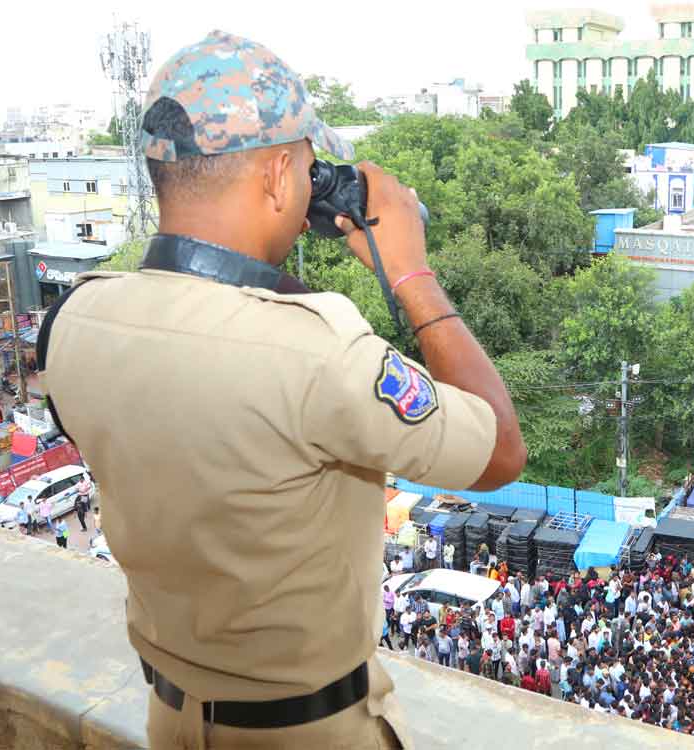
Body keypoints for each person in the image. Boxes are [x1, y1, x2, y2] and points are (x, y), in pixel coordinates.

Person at [40, 30, 525, 750]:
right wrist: (411, 273)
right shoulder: (316, 350)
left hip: (169, 718)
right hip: (312, 733)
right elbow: (499, 452)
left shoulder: (72, 320)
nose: (307, 188)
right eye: (304, 168)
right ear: (274, 177)